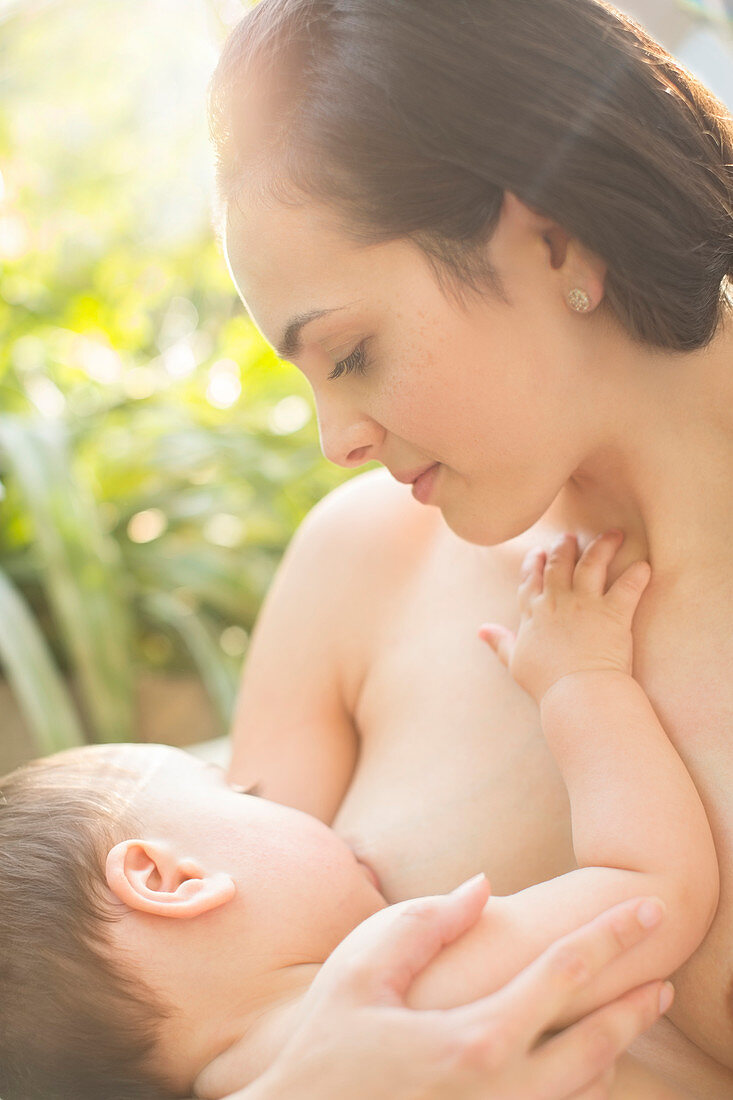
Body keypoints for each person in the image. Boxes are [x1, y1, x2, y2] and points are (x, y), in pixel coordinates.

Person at [208, 0, 733, 1095]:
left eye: (349, 352)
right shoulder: (357, 567)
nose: (333, 440)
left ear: (552, 238)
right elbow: (175, 1009)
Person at [0, 533, 698, 1100]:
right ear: (167, 878)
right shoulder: (386, 984)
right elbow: (655, 892)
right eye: (244, 795)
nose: (297, 810)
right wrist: (581, 681)